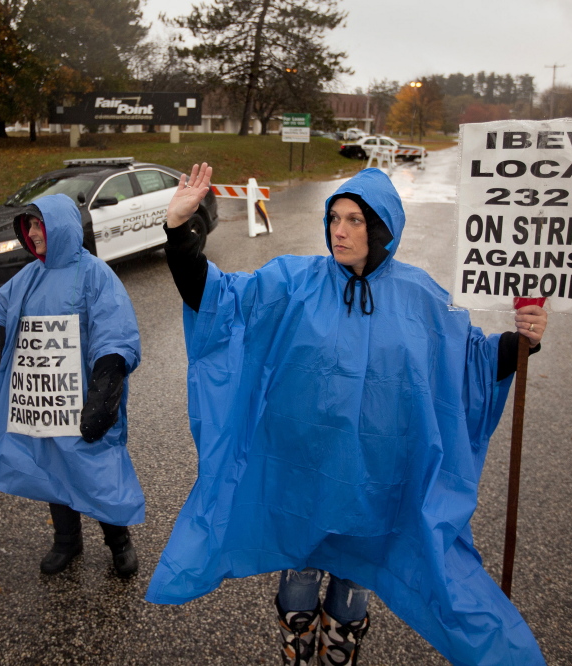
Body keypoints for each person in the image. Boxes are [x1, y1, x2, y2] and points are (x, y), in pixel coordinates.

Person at [146, 164, 549, 666]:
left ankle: (340, 651)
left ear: (381, 227)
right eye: (334, 217)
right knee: (299, 580)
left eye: (355, 220)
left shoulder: (421, 297)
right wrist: (180, 234)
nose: (340, 230)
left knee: (353, 580)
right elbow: (218, 301)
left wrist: (523, 342)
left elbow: (468, 364)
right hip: (303, 474)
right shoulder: (293, 283)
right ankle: (298, 649)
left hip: (372, 482)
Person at [0, 194, 143, 578]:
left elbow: (114, 334)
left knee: (96, 469)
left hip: (85, 397)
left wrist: (104, 393)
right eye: (30, 226)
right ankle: (67, 542)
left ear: (60, 227)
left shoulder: (95, 274)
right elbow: (7, 326)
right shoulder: (27, 277)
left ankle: (119, 542)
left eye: (40, 225)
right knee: (54, 468)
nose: (34, 233)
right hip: (44, 403)